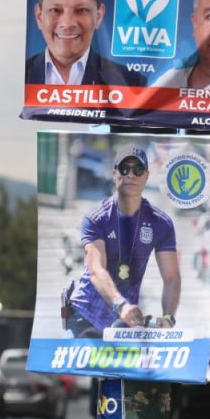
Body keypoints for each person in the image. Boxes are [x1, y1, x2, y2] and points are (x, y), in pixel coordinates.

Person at [63, 143, 181, 337]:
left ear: (146, 176)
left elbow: (172, 278)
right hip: (85, 316)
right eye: (125, 169)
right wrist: (121, 304)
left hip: (123, 325)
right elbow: (96, 269)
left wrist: (168, 318)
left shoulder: (161, 223)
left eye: (138, 169)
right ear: (114, 173)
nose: (131, 175)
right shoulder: (97, 217)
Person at [26, 0, 146, 88]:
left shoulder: (132, 83)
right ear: (39, 16)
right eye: (55, 10)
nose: (67, 24)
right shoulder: (20, 76)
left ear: (98, 16)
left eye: (81, 10)